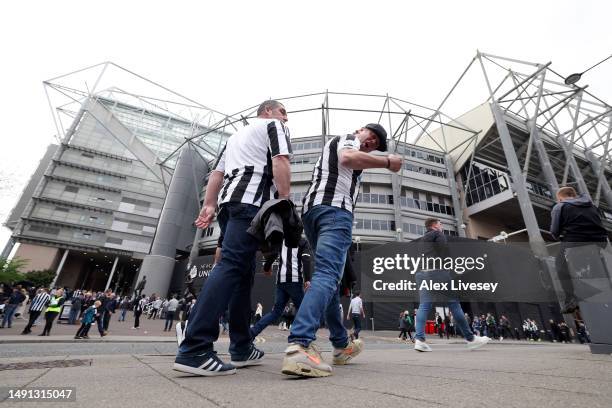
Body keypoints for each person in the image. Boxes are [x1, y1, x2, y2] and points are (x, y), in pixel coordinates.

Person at [174, 100, 291, 376]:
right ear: (268, 112)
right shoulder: (274, 126)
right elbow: (281, 161)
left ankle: (241, 346)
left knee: (242, 274)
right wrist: (285, 202)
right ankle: (194, 348)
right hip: (252, 205)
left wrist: (210, 204)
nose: (286, 118)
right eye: (282, 111)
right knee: (231, 267)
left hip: (229, 205)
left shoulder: (235, 136)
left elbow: (217, 173)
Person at [282, 123, 402, 378]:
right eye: (372, 136)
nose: (373, 143)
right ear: (360, 130)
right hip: (334, 212)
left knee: (331, 282)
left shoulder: (343, 149)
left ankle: (340, 345)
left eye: (378, 144)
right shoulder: (349, 139)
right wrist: (387, 161)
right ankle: (300, 345)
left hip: (314, 213)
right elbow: (348, 157)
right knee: (327, 276)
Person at [413, 218, 490, 352]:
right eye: (440, 224)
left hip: (421, 273)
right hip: (437, 272)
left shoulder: (421, 240)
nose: (442, 226)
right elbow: (444, 251)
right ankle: (471, 339)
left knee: (424, 305)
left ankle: (419, 340)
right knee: (453, 304)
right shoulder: (438, 234)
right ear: (434, 226)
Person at [550, 186, 609, 313]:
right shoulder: (592, 206)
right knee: (600, 259)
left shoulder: (559, 207)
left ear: (560, 198)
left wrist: (559, 236)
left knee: (559, 264)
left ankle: (570, 299)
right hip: (600, 241)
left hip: (575, 241)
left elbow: (554, 231)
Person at [250, 237, 312, 339]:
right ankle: (299, 338)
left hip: (281, 281)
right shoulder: (302, 241)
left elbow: (273, 254)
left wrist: (266, 267)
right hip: (295, 280)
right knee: (303, 310)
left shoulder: (281, 240)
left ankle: (252, 332)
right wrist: (308, 279)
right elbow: (306, 259)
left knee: (275, 312)